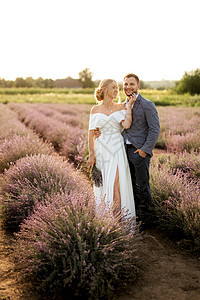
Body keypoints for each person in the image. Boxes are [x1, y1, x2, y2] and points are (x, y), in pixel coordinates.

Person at [87, 79, 136, 219]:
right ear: (105, 89)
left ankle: (118, 220)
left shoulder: (121, 107)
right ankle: (106, 218)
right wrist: (92, 155)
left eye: (117, 88)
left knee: (114, 184)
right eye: (113, 87)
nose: (116, 90)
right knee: (104, 183)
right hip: (101, 149)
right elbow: (91, 133)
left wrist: (130, 107)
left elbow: (126, 125)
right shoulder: (95, 109)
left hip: (116, 148)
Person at [122, 73, 160, 222]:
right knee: (131, 186)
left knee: (143, 186)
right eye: (125, 84)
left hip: (139, 151)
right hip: (124, 151)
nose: (128, 87)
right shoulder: (123, 104)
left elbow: (154, 129)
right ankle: (137, 216)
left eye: (131, 84)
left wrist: (145, 150)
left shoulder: (147, 104)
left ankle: (148, 218)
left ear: (138, 86)